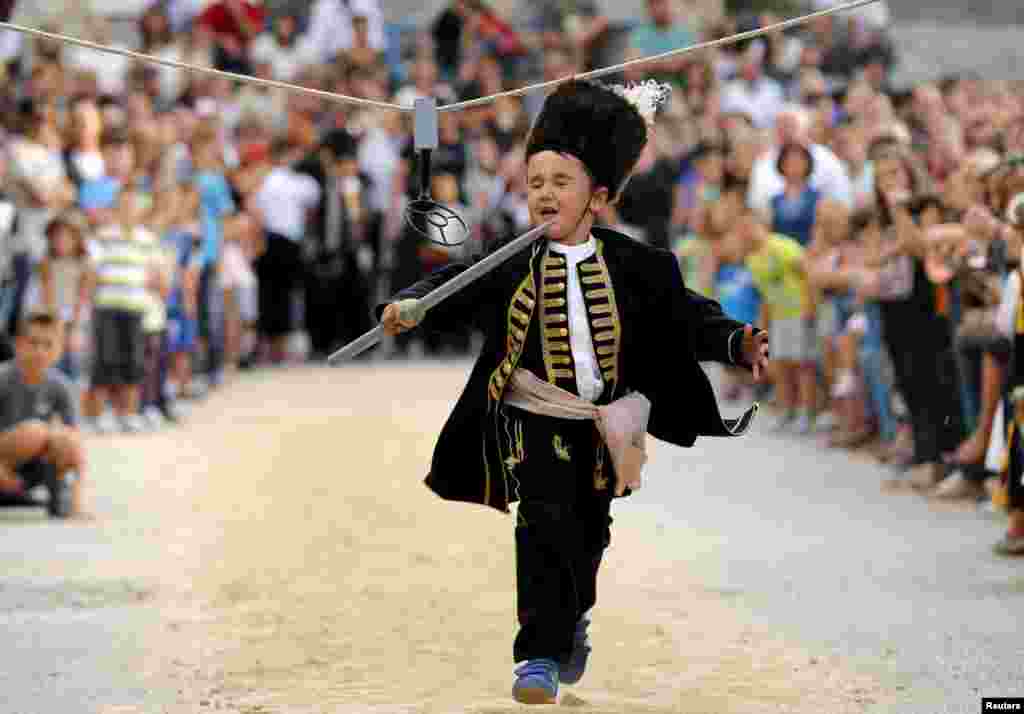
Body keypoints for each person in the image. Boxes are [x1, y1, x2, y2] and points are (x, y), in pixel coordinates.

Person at [377, 79, 769, 704]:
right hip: (534, 419)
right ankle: (536, 655)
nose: (544, 194)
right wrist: (409, 305)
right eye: (535, 184)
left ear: (599, 196)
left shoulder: (640, 265)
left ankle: (571, 620)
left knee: (588, 535)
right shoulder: (507, 261)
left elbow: (688, 316)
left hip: (607, 423)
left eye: (560, 182)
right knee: (541, 525)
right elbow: (454, 285)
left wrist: (734, 342)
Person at [0, 311, 86, 519]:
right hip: (5, 459)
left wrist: (77, 501)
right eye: (33, 343)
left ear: (59, 350)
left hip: (28, 470)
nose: (39, 351)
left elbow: (75, 442)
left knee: (64, 438)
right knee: (35, 431)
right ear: (18, 344)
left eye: (48, 345)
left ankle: (62, 500)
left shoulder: (62, 386)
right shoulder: (3, 377)